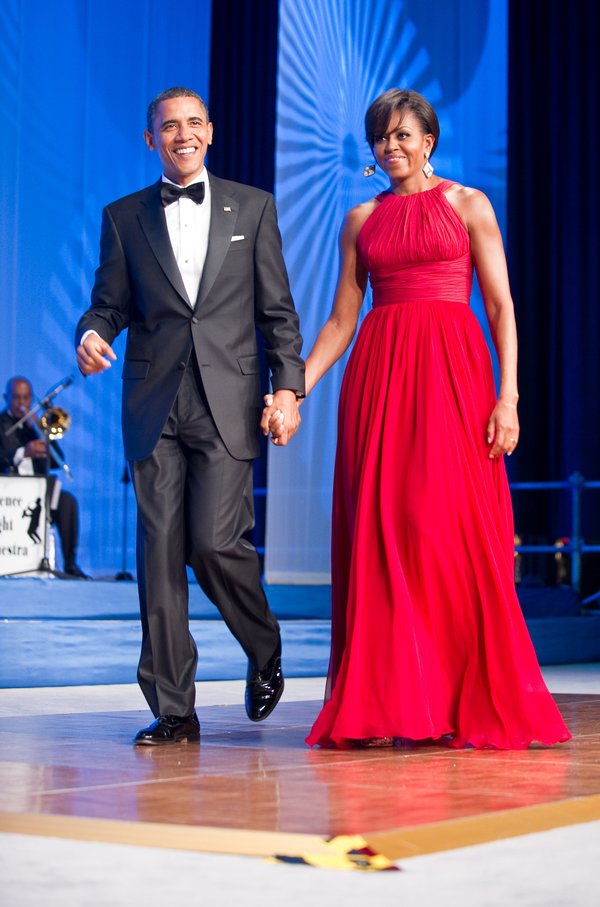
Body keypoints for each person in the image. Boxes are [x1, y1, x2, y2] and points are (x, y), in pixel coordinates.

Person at [264, 89, 570, 750]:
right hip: (379, 380)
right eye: (381, 138)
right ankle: (390, 702)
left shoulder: (468, 205)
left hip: (455, 379)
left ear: (428, 141)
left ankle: (452, 697)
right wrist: (295, 389)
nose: (391, 147)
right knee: (384, 533)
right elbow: (342, 322)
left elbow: (501, 306)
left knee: (444, 532)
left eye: (403, 135)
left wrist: (508, 396)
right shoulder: (360, 219)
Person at [76, 87, 304, 746]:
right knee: (159, 556)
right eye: (169, 125)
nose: (183, 134)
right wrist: (91, 334)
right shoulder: (123, 217)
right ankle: (174, 707)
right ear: (151, 139)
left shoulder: (253, 207)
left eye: (193, 122)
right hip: (153, 403)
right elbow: (108, 303)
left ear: (211, 131)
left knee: (213, 543)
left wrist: (286, 388)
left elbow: (278, 313)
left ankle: (263, 646)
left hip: (229, 401)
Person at [0, 376, 88, 578]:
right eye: (16, 398)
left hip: (38, 490)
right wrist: (23, 452)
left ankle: (70, 564)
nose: (22, 403)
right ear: (6, 397)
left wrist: (41, 433)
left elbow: (58, 461)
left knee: (67, 502)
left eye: (26, 398)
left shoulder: (37, 427)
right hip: (8, 491)